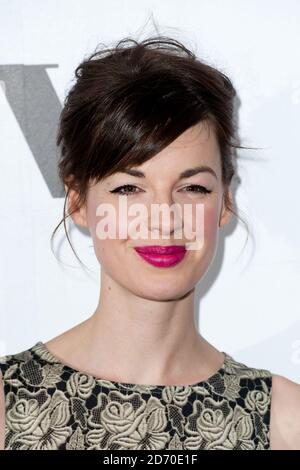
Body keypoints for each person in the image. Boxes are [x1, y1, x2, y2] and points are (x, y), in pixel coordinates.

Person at [1, 35, 299, 451]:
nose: (163, 219)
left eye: (193, 188)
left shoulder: (286, 423)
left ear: (226, 202)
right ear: (79, 203)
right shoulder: (7, 405)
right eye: (128, 189)